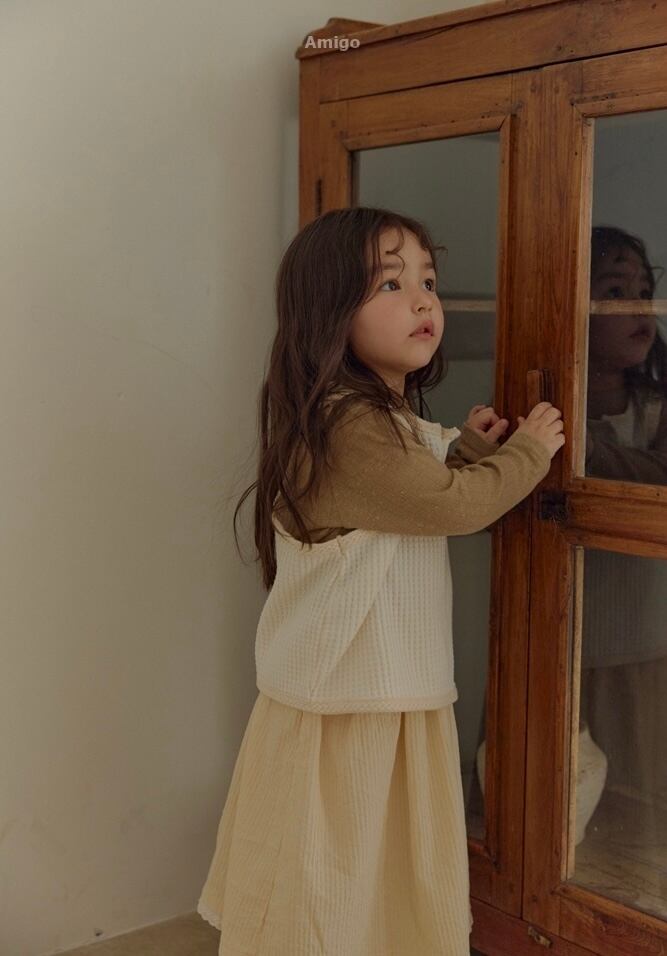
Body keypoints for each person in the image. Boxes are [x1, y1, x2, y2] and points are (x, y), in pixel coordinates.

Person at [196, 206, 564, 955]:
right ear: (329, 312)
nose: (423, 299)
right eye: (391, 283)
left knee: (362, 886)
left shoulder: (368, 420)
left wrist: (463, 454)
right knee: (332, 889)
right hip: (349, 705)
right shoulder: (348, 426)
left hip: (374, 690)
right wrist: (525, 454)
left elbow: (404, 504)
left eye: (428, 280)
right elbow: (447, 507)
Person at [580, 225, 667, 830]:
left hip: (643, 637)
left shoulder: (657, 406)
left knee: (635, 814)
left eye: (645, 290)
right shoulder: (548, 398)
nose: (638, 307)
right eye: (614, 291)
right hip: (562, 639)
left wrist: (589, 455)